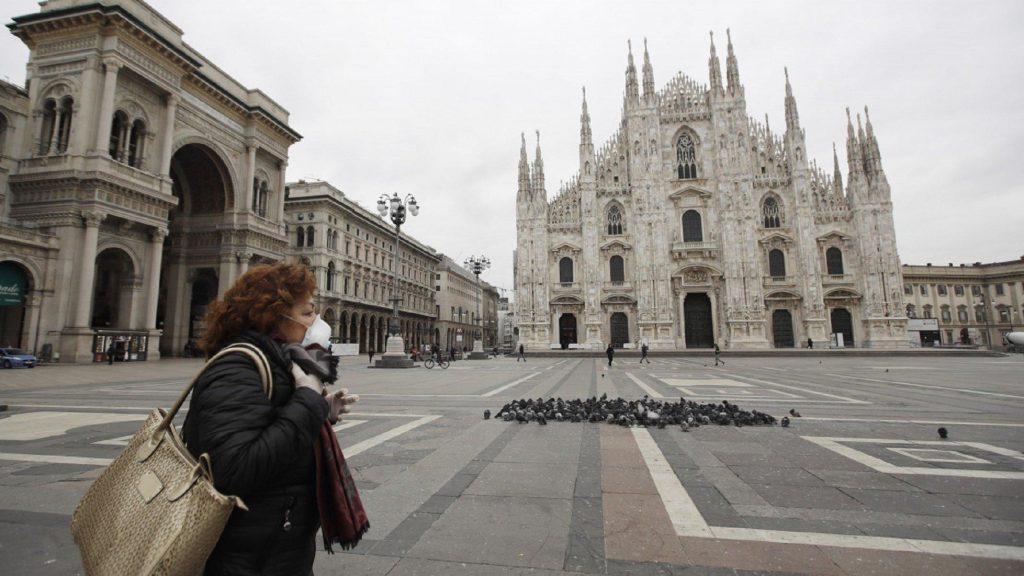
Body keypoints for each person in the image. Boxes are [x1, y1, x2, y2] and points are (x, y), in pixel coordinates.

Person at [182, 263, 362, 575]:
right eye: (307, 312)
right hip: (246, 554)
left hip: (275, 543)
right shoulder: (237, 367)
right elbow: (235, 469)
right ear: (274, 314)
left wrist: (322, 411)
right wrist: (307, 401)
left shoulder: (278, 359)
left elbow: (269, 424)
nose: (316, 322)